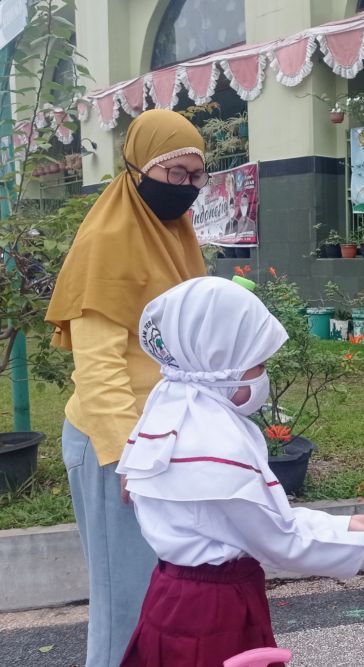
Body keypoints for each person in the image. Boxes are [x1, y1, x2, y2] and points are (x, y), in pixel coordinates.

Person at [116, 277, 364, 666]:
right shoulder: (217, 443)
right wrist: (363, 541)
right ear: (219, 359)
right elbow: (278, 539)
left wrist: (344, 526)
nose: (261, 377)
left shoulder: (166, 409)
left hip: (169, 597)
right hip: (215, 611)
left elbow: (236, 520)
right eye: (258, 363)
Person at [45, 109, 210, 666]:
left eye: (196, 176)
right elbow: (99, 371)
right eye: (175, 175)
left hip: (166, 437)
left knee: (166, 600)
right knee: (127, 602)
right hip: (116, 447)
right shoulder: (109, 242)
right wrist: (126, 459)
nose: (186, 189)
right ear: (139, 168)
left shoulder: (173, 235)